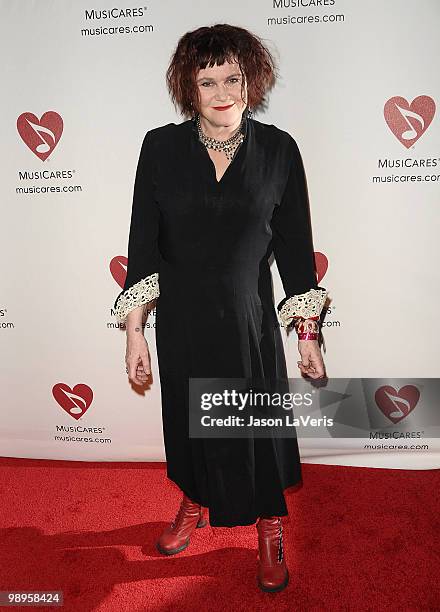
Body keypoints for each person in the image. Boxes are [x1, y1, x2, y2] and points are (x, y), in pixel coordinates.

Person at [113, 23, 328, 593]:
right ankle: (195, 500)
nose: (222, 91)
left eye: (232, 77)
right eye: (207, 81)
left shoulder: (280, 150)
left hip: (249, 321)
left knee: (253, 424)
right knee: (192, 422)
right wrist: (135, 331)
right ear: (189, 88)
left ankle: (269, 524)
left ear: (252, 81)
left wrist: (306, 335)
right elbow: (143, 244)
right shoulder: (158, 148)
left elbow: (295, 250)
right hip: (181, 318)